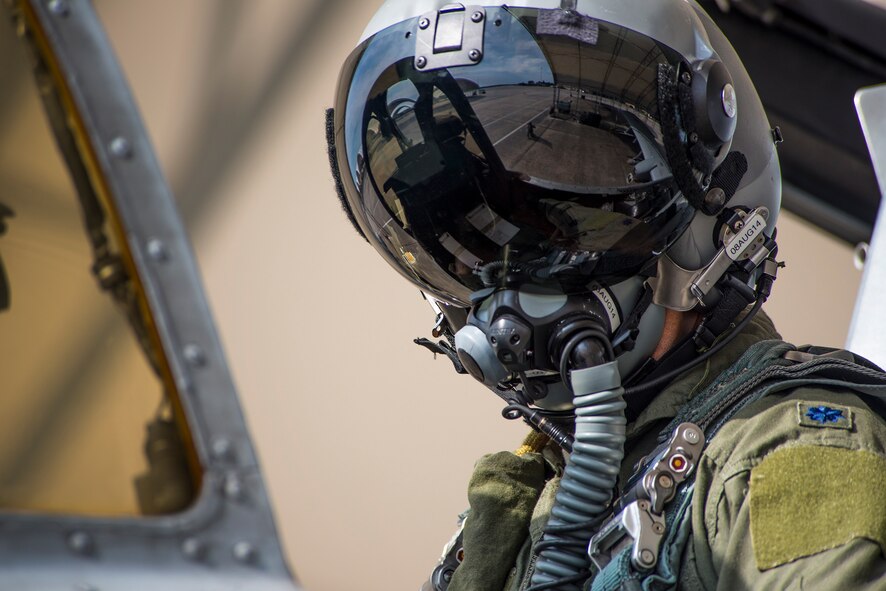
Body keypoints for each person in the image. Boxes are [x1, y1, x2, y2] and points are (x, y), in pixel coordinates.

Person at [325, 1, 886, 589]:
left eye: (570, 219)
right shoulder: (530, 504)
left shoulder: (781, 452)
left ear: (710, 208)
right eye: (476, 240)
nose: (510, 277)